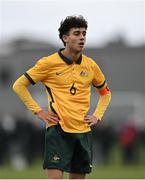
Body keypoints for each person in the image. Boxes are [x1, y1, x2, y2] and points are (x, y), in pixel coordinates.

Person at [13, 15, 111, 179]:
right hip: (58, 130)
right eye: (77, 33)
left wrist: (97, 116)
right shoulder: (48, 63)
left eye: (84, 34)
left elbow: (106, 93)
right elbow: (19, 85)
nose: (82, 38)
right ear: (65, 38)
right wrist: (39, 112)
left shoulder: (91, 65)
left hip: (83, 132)